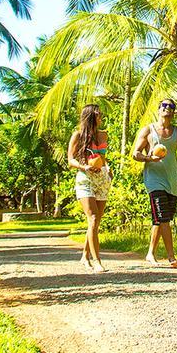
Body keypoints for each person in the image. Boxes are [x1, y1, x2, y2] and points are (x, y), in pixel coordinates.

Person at [132, 98, 177, 267]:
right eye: (164, 106)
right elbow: (135, 154)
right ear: (159, 109)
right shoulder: (149, 130)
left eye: (171, 107)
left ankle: (150, 254)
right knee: (163, 218)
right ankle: (171, 257)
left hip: (172, 179)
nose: (167, 109)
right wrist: (149, 158)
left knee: (161, 219)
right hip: (154, 179)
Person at [67, 103, 111, 272]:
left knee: (96, 222)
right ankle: (97, 260)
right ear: (90, 117)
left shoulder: (103, 135)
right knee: (92, 218)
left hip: (102, 179)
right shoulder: (77, 136)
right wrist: (83, 167)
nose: (101, 118)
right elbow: (70, 160)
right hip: (85, 178)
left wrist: (108, 170)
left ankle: (85, 256)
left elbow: (103, 158)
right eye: (98, 115)